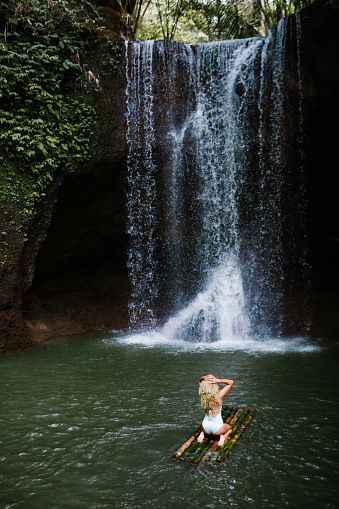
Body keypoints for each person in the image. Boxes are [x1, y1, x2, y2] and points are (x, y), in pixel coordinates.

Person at [197, 374, 234, 446]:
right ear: (214, 384)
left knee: (206, 422)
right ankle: (223, 437)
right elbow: (231, 382)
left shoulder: (203, 394)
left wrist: (203, 378)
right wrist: (218, 380)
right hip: (217, 429)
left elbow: (200, 381)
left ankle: (202, 433)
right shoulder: (219, 395)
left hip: (205, 427)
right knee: (230, 429)